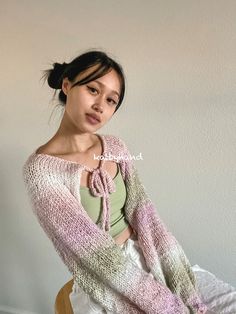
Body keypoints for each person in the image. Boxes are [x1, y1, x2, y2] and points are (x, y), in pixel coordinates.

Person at [22, 50, 208, 313]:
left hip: (146, 253)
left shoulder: (115, 147)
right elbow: (95, 254)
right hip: (102, 276)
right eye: (93, 90)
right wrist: (165, 304)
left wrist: (177, 277)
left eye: (111, 100)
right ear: (67, 85)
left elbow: (145, 215)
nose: (100, 105)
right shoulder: (41, 172)